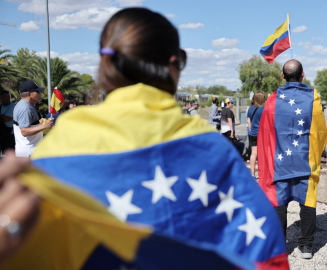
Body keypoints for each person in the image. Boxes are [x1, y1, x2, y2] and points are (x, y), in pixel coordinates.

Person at [23, 8, 287, 269]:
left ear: (106, 64)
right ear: (176, 63)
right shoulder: (210, 147)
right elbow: (263, 247)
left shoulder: (57, 149)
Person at [258, 60, 327, 259]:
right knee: (308, 203)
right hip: (304, 161)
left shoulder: (272, 99)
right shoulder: (313, 97)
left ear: (282, 76)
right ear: (302, 74)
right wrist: (315, 155)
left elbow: (265, 133)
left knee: (279, 203)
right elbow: (320, 131)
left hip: (279, 162)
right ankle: (306, 247)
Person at [12, 81, 53, 157]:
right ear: (28, 94)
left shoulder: (26, 105)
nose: (40, 94)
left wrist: (38, 123)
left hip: (29, 151)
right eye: (37, 91)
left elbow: (27, 125)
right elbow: (24, 131)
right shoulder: (25, 108)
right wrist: (44, 126)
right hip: (28, 153)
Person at [247, 91, 265, 178]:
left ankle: (252, 174)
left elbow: (248, 121)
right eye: (264, 97)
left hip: (253, 134)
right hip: (262, 134)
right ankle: (262, 174)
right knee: (261, 154)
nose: (265, 99)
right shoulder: (263, 109)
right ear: (260, 98)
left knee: (253, 153)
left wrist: (251, 130)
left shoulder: (250, 108)